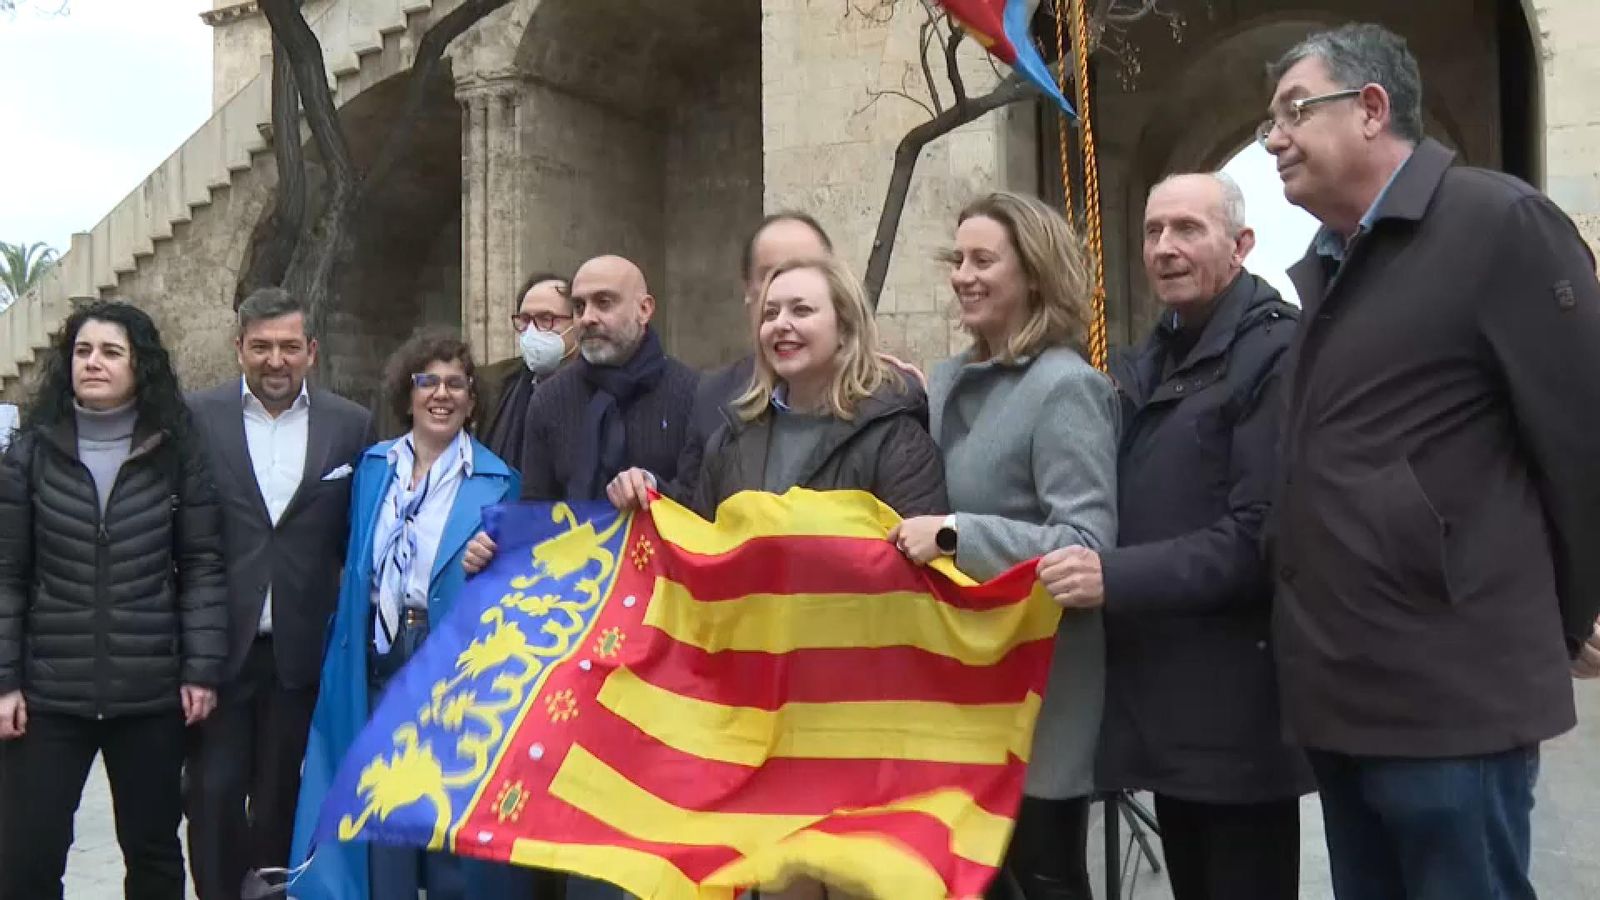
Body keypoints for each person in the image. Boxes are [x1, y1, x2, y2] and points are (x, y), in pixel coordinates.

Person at [1260, 23, 1600, 899]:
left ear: (1371, 110)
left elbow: (1581, 432)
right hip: (1346, 698)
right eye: (1269, 120)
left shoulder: (1498, 224)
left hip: (1452, 700)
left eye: (1295, 110)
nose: (1272, 138)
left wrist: (1579, 611)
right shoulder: (1329, 269)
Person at [1038, 172, 1309, 900]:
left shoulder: (1274, 354)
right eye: (1154, 230)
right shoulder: (1152, 353)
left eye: (1188, 229)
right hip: (1165, 709)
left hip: (1238, 715)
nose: (1164, 247)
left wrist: (1112, 577)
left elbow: (1259, 537)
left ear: (1241, 244)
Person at [890, 192, 1118, 900]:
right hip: (958, 684)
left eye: (983, 260)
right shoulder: (946, 379)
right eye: (957, 259)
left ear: (1035, 275)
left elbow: (1084, 541)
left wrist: (958, 534)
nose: (963, 275)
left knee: (1041, 881)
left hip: (1039, 695)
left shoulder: (1067, 388)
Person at [288, 330, 533, 899]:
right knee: (383, 816)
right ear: (408, 394)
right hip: (375, 660)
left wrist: (490, 560)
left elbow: (518, 583)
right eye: (429, 382)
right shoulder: (373, 468)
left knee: (446, 819)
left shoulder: (500, 480)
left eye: (455, 384)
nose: (441, 395)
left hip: (451, 666)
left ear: (472, 399)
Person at [0, 299, 227, 900]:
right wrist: (4, 683)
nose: (92, 362)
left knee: (153, 858)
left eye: (109, 352)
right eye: (82, 351)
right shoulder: (29, 456)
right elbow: (6, 576)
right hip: (48, 699)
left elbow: (203, 565)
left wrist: (201, 669)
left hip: (150, 695)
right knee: (26, 860)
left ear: (138, 366)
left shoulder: (175, 452)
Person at [184, 288, 374, 899]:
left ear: (311, 351)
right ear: (238, 348)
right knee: (211, 799)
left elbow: (357, 534)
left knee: (279, 804)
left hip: (301, 654)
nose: (275, 360)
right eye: (261, 346)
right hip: (218, 653)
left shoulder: (351, 424)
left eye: (289, 346)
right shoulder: (197, 417)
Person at [611, 255, 946, 522]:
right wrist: (649, 495)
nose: (780, 325)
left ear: (845, 328)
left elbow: (915, 572)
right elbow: (701, 545)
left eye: (801, 310)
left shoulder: (896, 437)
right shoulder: (731, 438)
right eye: (770, 314)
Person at [668, 213, 834, 500]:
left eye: (806, 270)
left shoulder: (887, 398)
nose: (790, 285)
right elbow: (691, 513)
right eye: (773, 275)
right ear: (748, 290)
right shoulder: (715, 396)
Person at [476, 272, 575, 463]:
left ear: (577, 322)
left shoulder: (603, 390)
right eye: (525, 320)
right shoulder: (495, 386)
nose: (532, 331)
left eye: (546, 318)